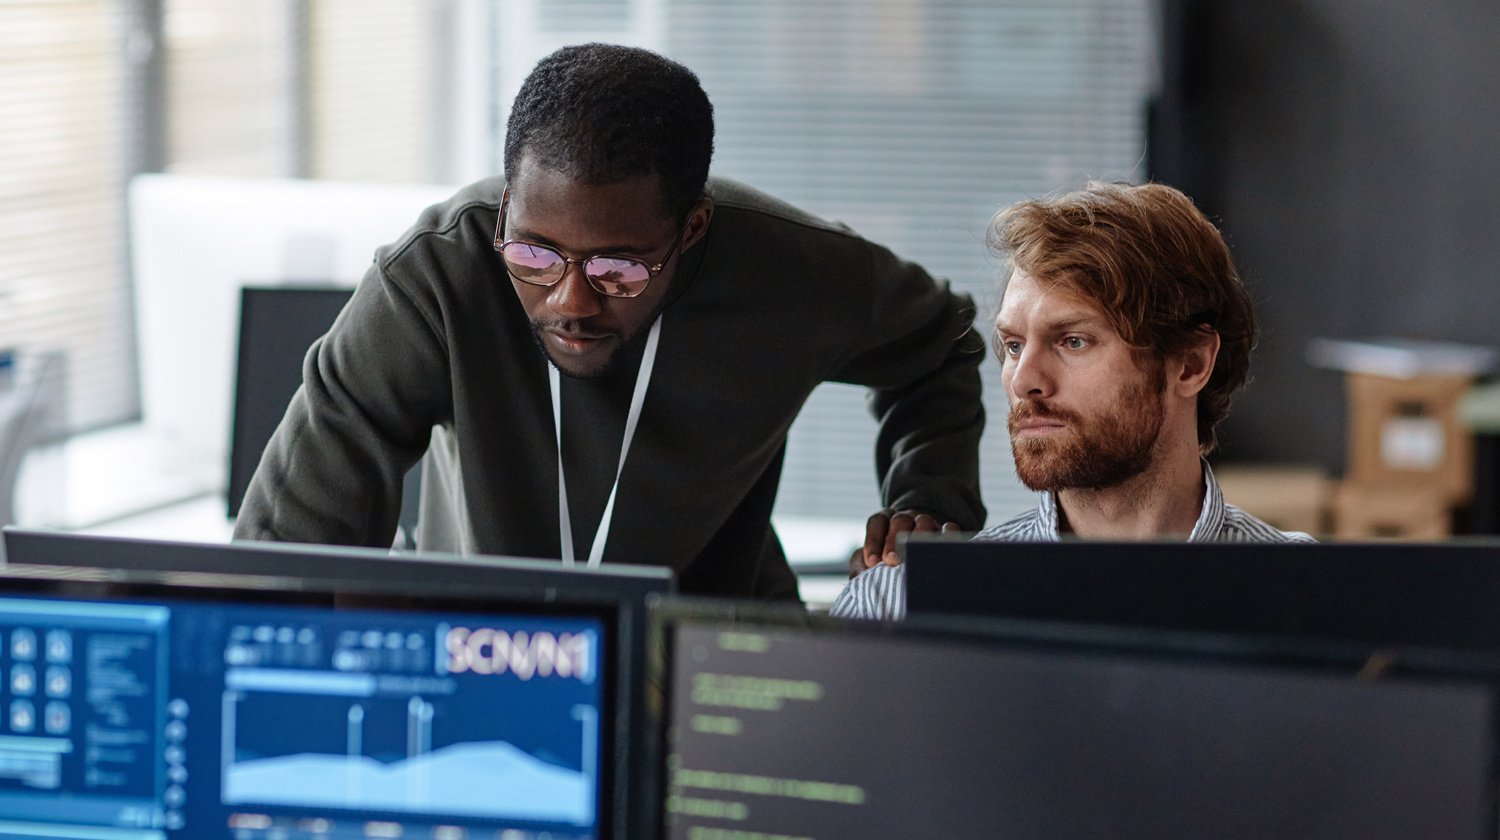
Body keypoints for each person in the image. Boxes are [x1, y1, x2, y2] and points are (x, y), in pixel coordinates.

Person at [233, 43, 986, 599]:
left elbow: (943, 344)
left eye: (617, 269)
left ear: (691, 230)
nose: (571, 301)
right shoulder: (437, 275)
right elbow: (282, 553)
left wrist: (928, 503)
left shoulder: (790, 271)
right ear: (506, 209)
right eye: (534, 254)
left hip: (709, 656)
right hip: (477, 645)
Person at [832, 181, 1313, 620]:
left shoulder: (1311, 595)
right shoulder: (899, 605)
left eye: (1073, 341)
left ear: (1190, 364)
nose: (1024, 381)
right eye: (1014, 346)